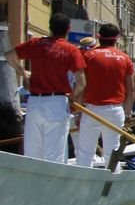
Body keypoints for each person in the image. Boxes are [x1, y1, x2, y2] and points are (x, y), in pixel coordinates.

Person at [5, 13, 86, 163]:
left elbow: (9, 56)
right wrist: (71, 98)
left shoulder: (35, 43)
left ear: (50, 28)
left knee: (33, 151)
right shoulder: (71, 50)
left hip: (35, 103)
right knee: (55, 153)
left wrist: (23, 73)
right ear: (68, 29)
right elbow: (82, 83)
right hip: (57, 101)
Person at [75, 23, 134, 168]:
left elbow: (82, 86)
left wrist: (78, 112)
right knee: (112, 153)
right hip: (115, 111)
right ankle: (112, 183)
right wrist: (127, 114)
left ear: (98, 37)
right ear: (117, 39)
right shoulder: (125, 58)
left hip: (91, 110)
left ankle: (84, 184)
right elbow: (131, 90)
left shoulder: (88, 56)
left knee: (85, 153)